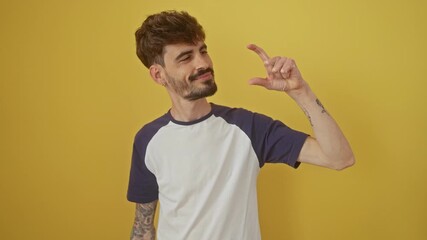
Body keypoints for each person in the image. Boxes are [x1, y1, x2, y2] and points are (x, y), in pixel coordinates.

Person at [127, 10, 355, 240]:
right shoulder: (148, 139)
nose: (203, 63)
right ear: (158, 75)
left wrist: (300, 91)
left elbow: (339, 158)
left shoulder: (248, 127)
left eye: (203, 51)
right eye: (186, 58)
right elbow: (142, 227)